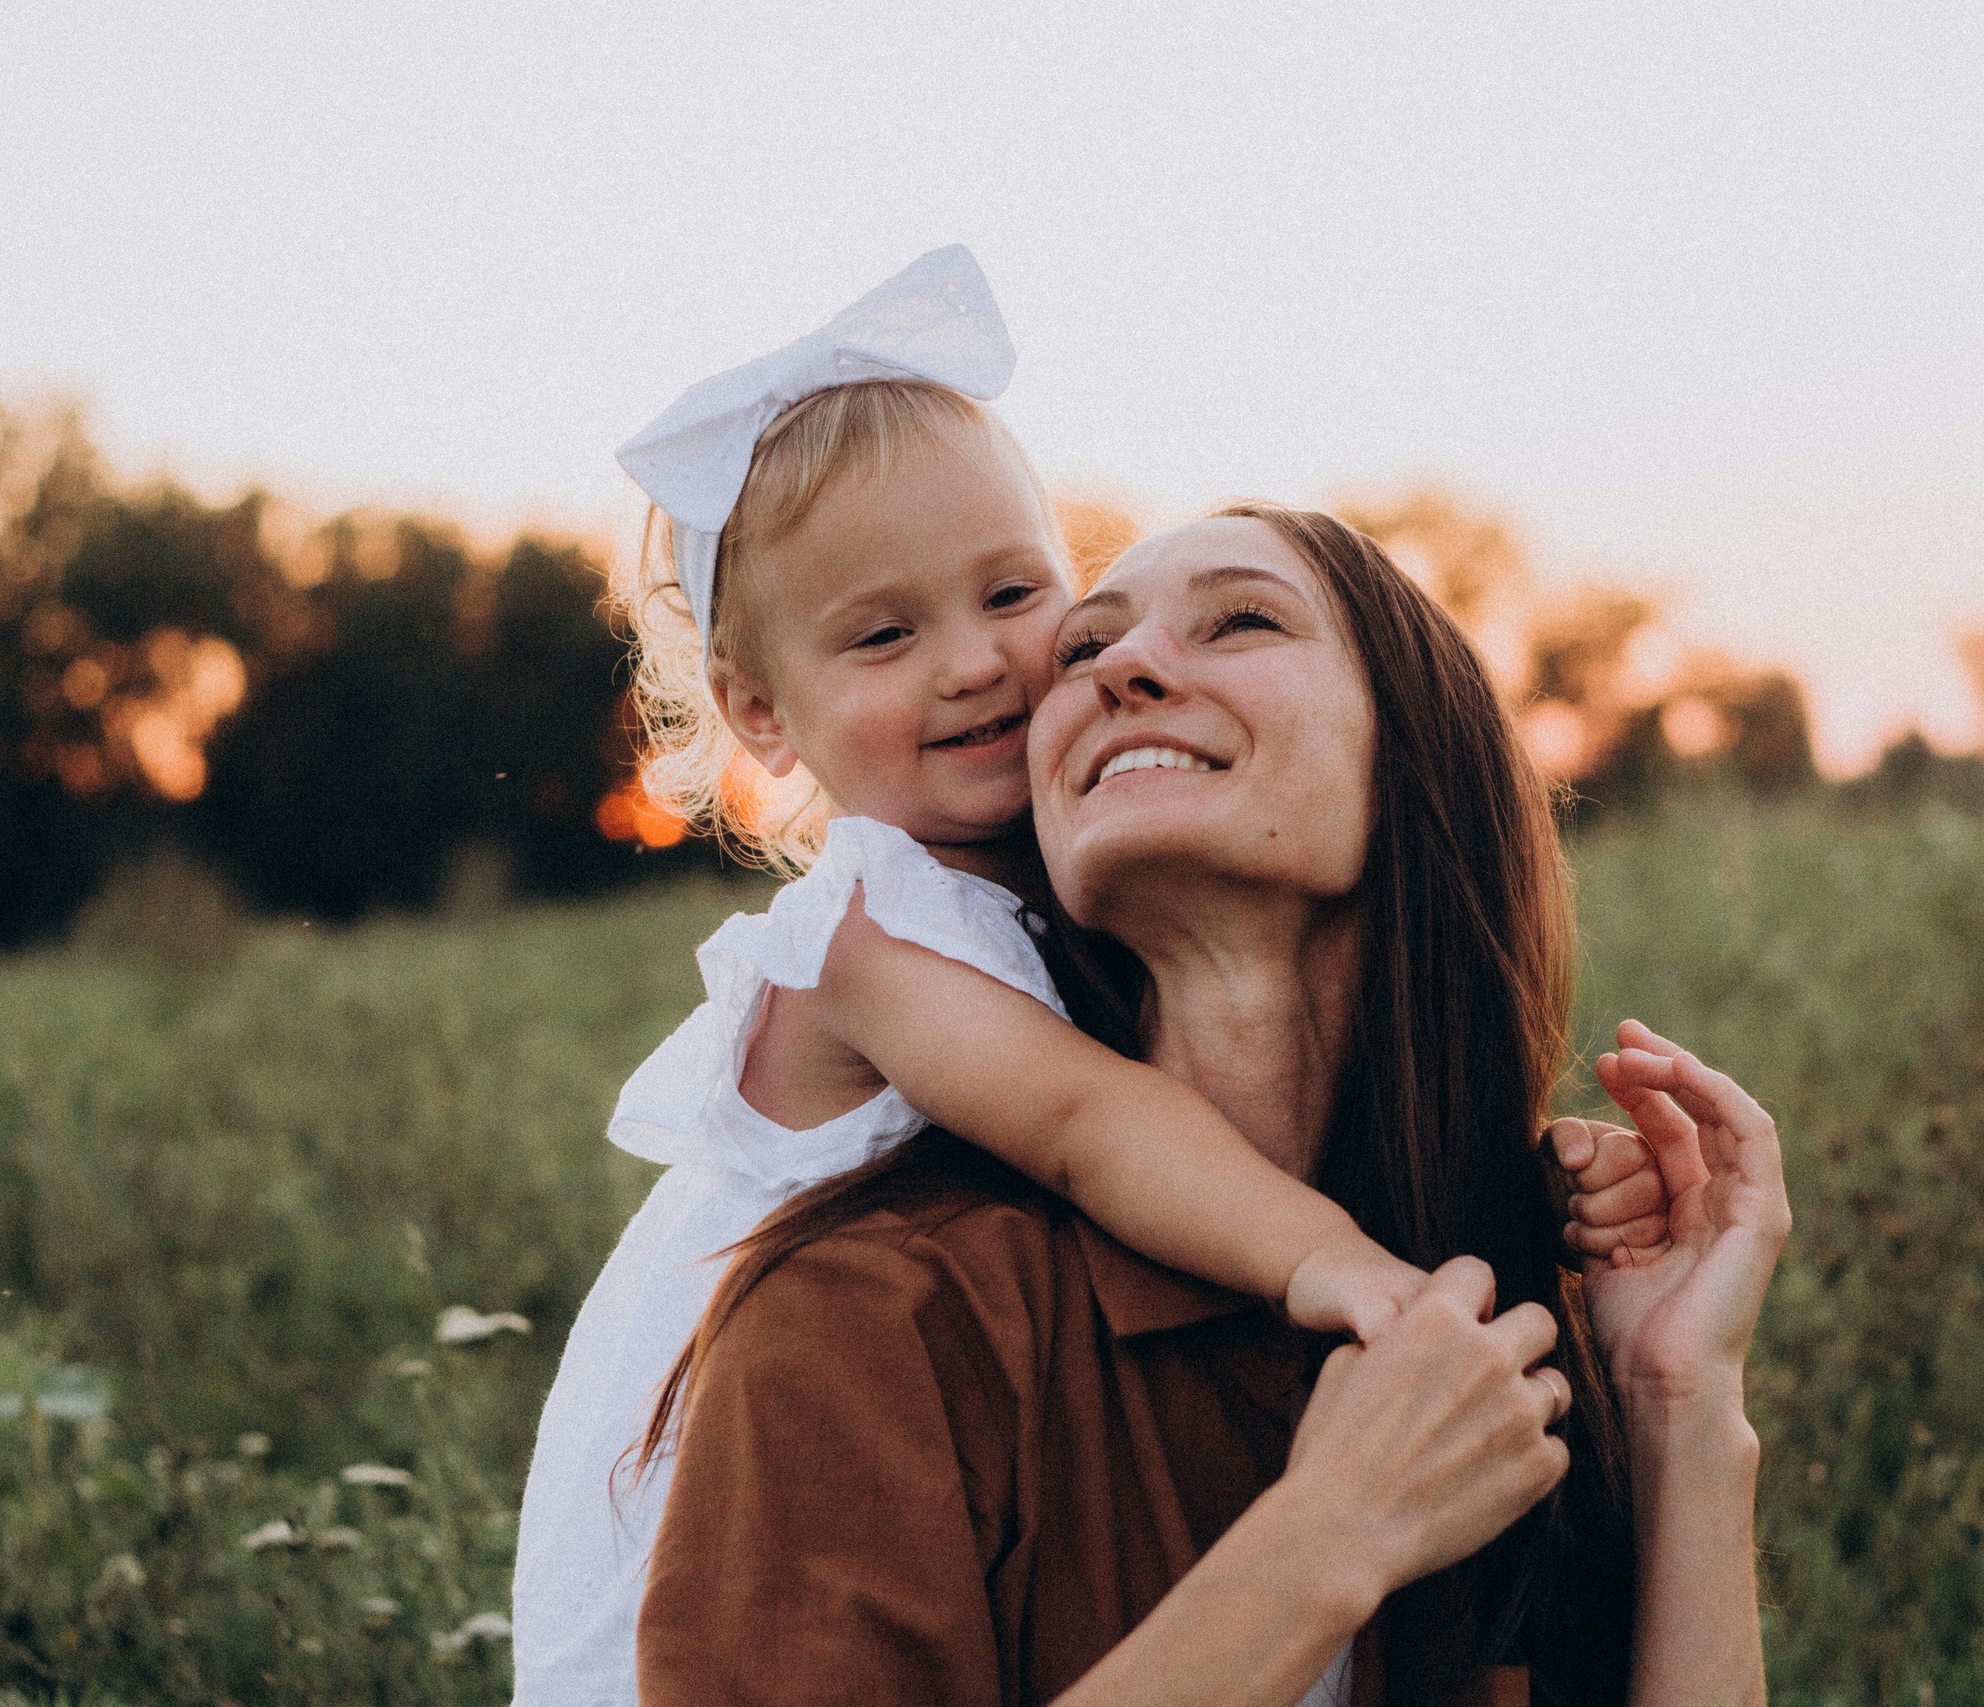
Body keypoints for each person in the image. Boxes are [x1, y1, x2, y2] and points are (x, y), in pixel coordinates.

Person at [512, 252, 1668, 1703]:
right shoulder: (875, 1009)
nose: (992, 666)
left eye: (1020, 599)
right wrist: (1344, 1318)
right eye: (884, 633)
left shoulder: (1488, 1286)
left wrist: (1674, 1381)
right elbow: (1087, 1124)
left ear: (1426, 753)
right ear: (760, 711)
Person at [634, 504, 1790, 1704]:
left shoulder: (1498, 1324)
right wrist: (1324, 1544)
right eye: (1082, 651)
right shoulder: (887, 1312)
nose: (1122, 669)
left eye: (1239, 621)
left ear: (1416, 754)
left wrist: (1679, 1406)